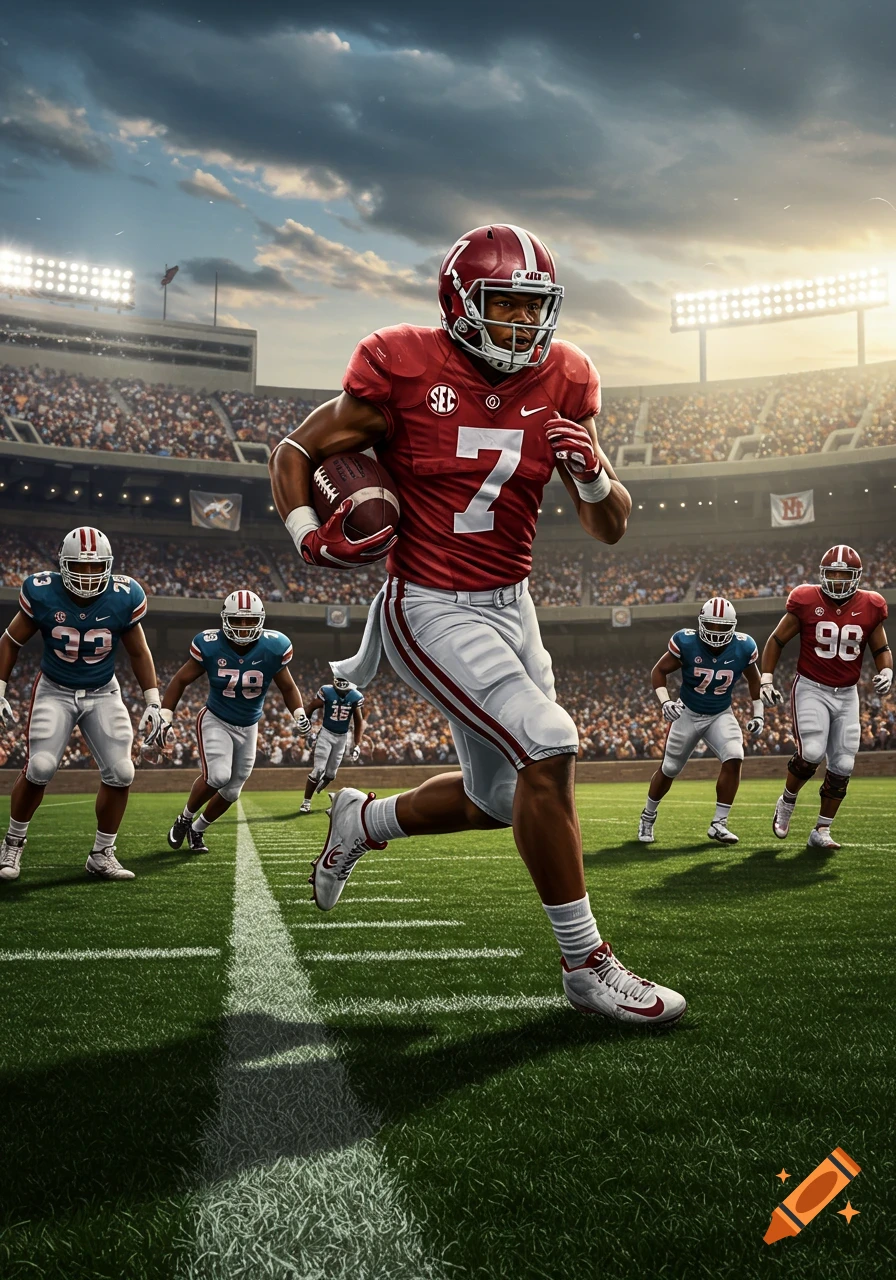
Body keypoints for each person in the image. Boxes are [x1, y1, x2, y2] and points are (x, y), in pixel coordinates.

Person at [269, 222, 686, 1027]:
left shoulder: (565, 378)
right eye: (505, 306)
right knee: (550, 740)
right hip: (426, 600)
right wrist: (303, 532)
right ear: (460, 303)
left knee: (502, 799)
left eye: (535, 309)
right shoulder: (403, 365)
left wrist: (596, 478)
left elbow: (611, 529)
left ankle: (362, 819)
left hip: (512, 604)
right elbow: (296, 448)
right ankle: (586, 964)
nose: (523, 326)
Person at [0, 527, 161, 881]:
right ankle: (12, 843)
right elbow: (10, 640)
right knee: (40, 767)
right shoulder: (42, 592)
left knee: (122, 772)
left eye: (95, 567)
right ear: (62, 564)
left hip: (103, 690)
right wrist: (0, 687)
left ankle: (102, 854)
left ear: (109, 565)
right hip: (54, 689)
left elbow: (138, 651)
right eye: (79, 567)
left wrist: (153, 700)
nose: (88, 576)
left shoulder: (124, 595)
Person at [158, 591, 310, 851]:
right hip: (216, 719)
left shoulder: (274, 647)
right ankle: (184, 818)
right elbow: (181, 680)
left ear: (260, 621)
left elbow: (288, 687)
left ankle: (197, 830)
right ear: (225, 620)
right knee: (218, 776)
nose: (242, 627)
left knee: (232, 791)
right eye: (236, 621)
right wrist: (166, 715)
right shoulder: (210, 644)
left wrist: (298, 713)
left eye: (249, 621)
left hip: (249, 725)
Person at [760, 544, 891, 848]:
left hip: (847, 693)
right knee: (812, 752)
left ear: (857, 576)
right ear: (821, 574)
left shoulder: (871, 604)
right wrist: (766, 678)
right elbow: (776, 639)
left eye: (844, 574)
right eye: (831, 572)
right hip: (811, 687)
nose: (837, 579)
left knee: (844, 763)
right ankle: (787, 801)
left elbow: (881, 649)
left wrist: (886, 671)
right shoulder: (807, 599)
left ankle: (821, 830)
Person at [638, 598, 764, 845]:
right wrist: (665, 702)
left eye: (722, 627)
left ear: (733, 627)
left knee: (735, 755)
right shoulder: (686, 642)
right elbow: (658, 671)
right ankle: (648, 815)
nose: (716, 632)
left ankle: (719, 824)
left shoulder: (744, 646)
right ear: (701, 623)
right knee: (670, 769)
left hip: (720, 713)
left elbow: (754, 679)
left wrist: (758, 713)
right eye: (711, 625)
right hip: (687, 713)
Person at [299, 675, 365, 813]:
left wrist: (357, 744)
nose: (343, 695)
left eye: (345, 692)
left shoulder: (355, 697)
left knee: (331, 774)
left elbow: (359, 722)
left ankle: (322, 784)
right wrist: (305, 725)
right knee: (318, 770)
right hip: (326, 734)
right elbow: (311, 707)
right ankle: (306, 802)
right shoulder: (327, 692)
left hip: (342, 737)